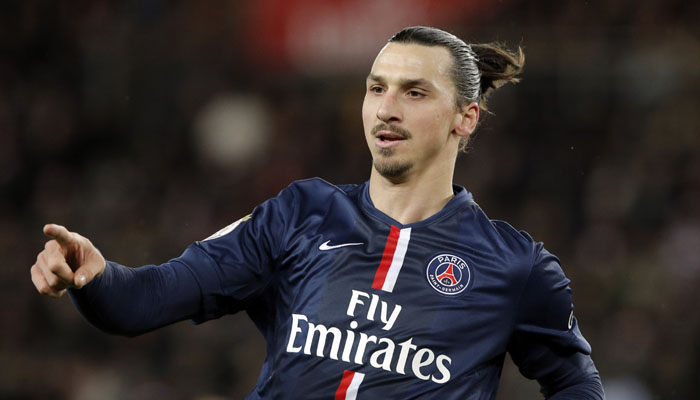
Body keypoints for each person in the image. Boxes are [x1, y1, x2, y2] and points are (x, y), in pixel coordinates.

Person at [31, 26, 604, 399]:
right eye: (376, 88)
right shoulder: (300, 214)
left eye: (414, 92)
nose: (386, 108)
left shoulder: (516, 267)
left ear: (466, 118)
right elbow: (141, 302)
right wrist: (93, 276)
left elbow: (575, 384)